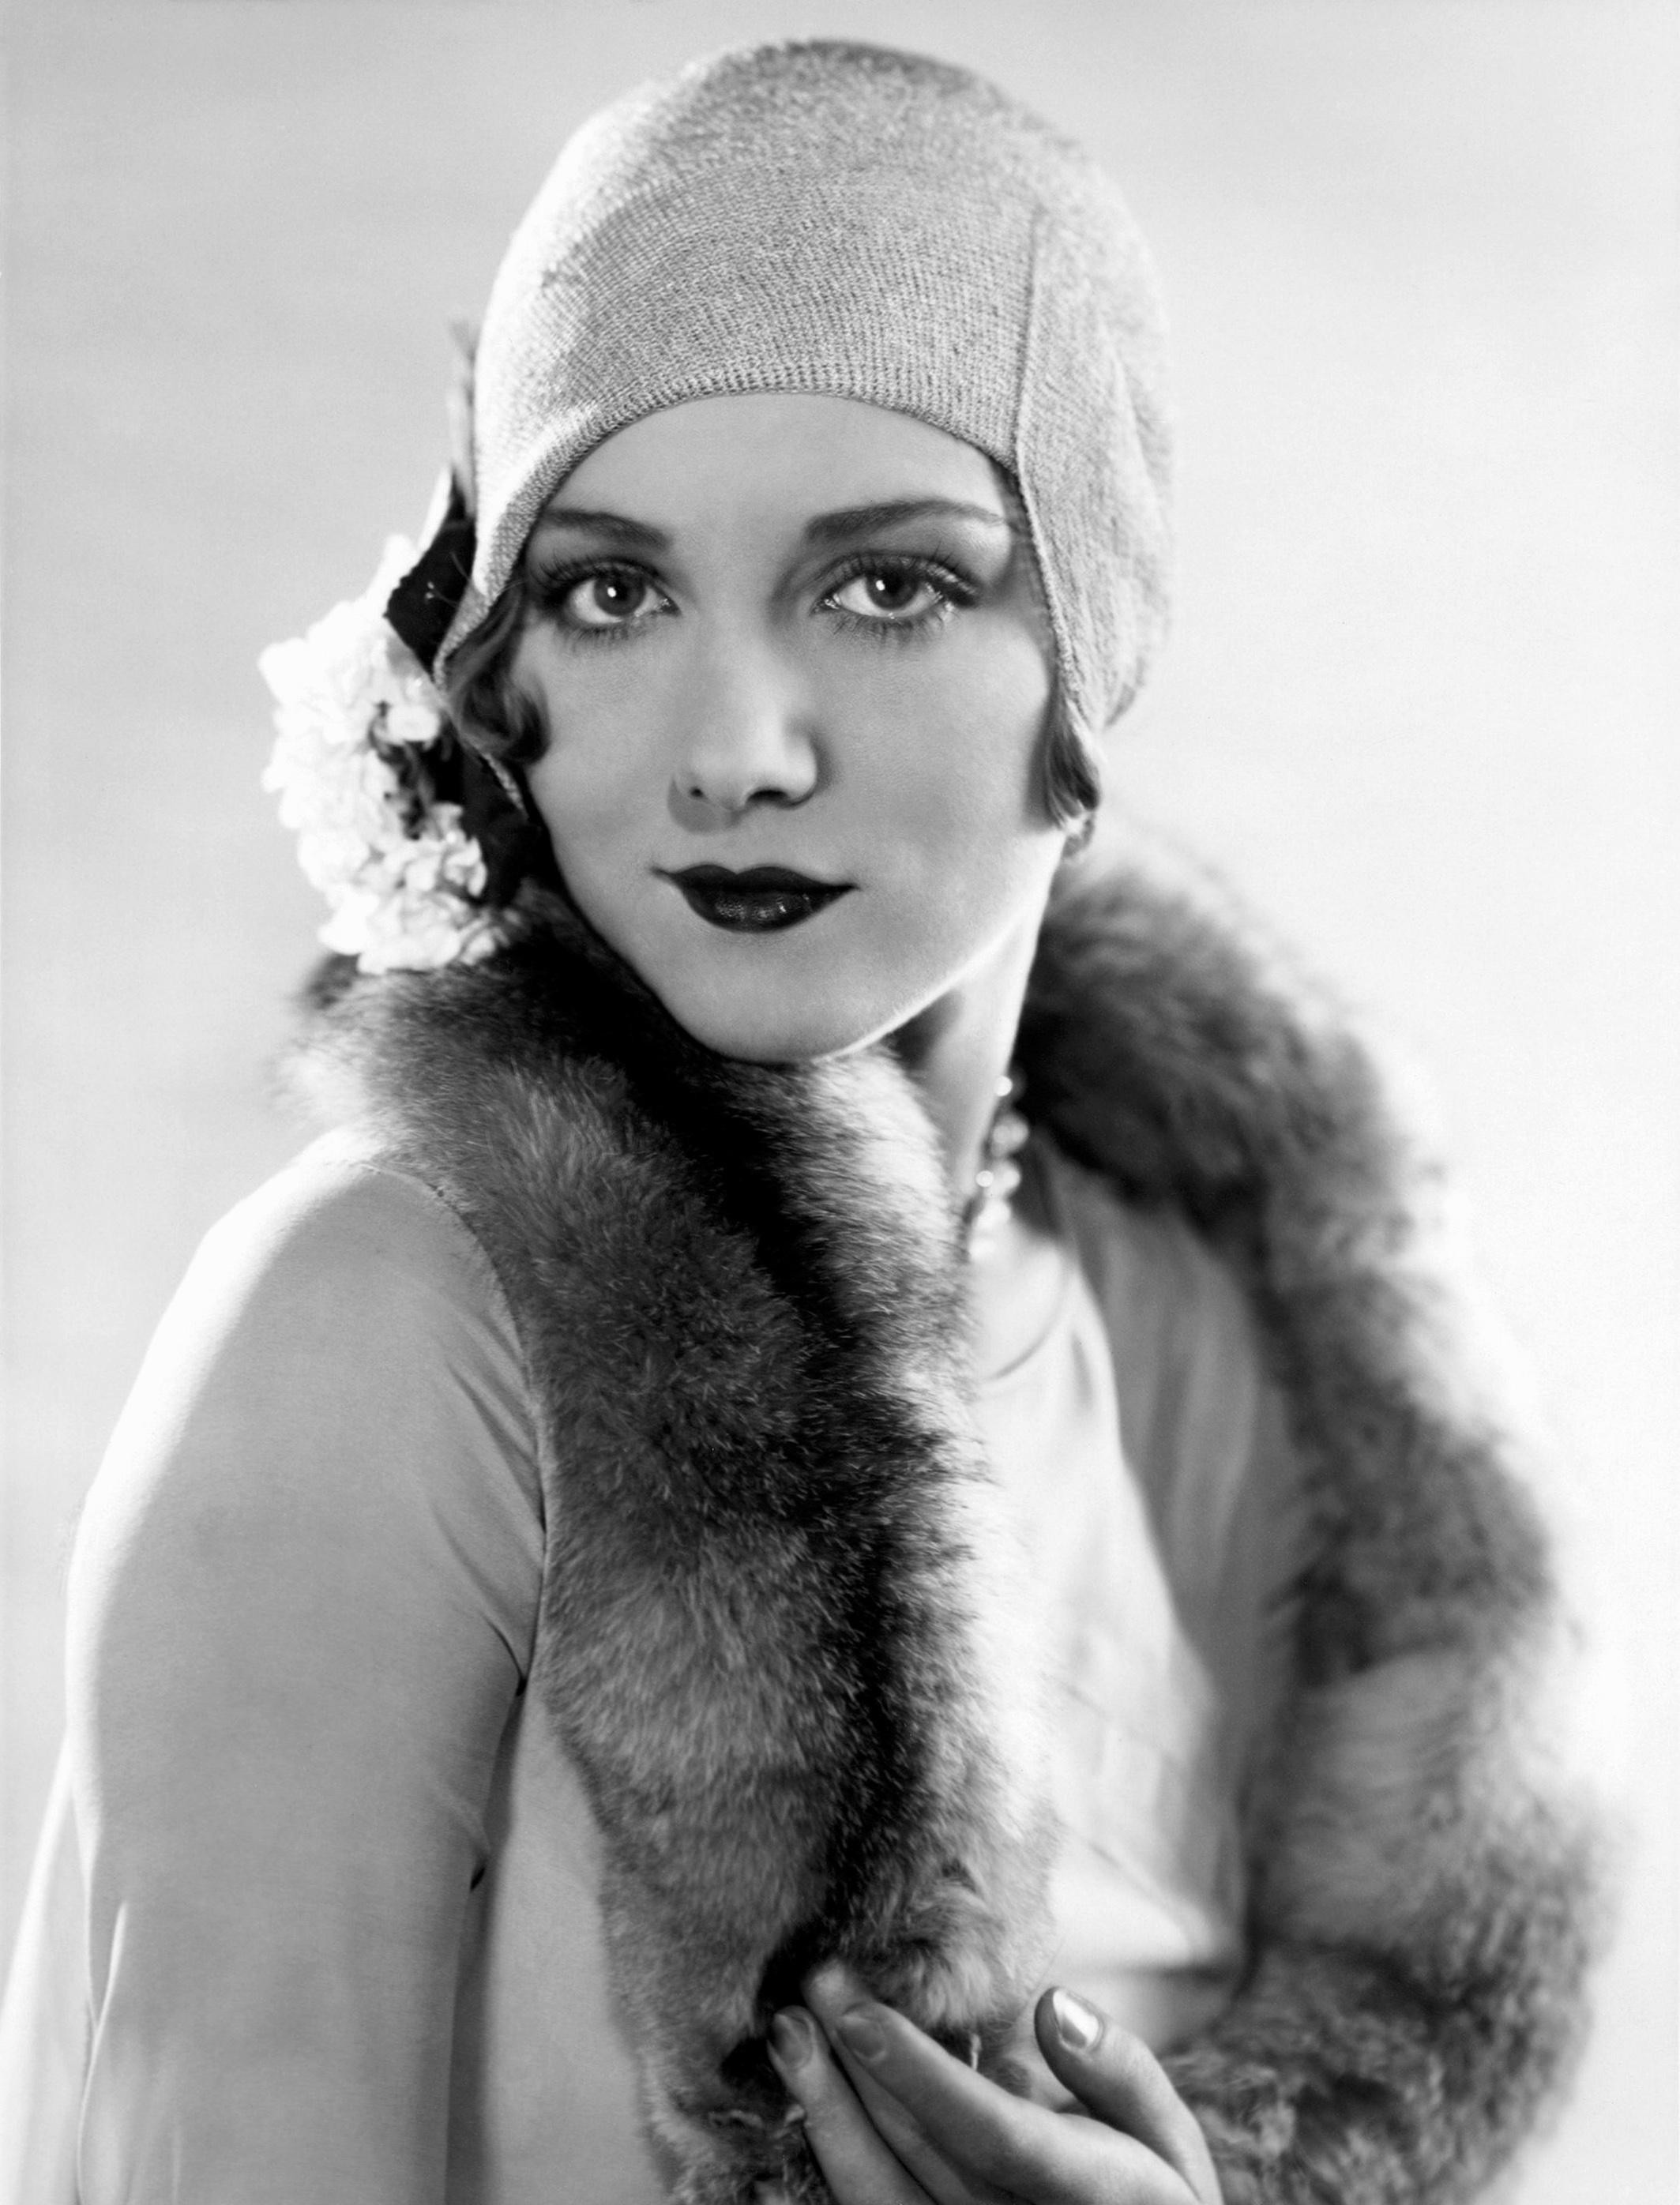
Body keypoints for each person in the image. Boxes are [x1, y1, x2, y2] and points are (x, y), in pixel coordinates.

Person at [0, 39, 1599, 2205]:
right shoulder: (391, 1323)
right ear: (498, 678)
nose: (735, 750)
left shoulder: (1228, 1339)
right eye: (613, 591)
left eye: (889, 586)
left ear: (1093, 641)